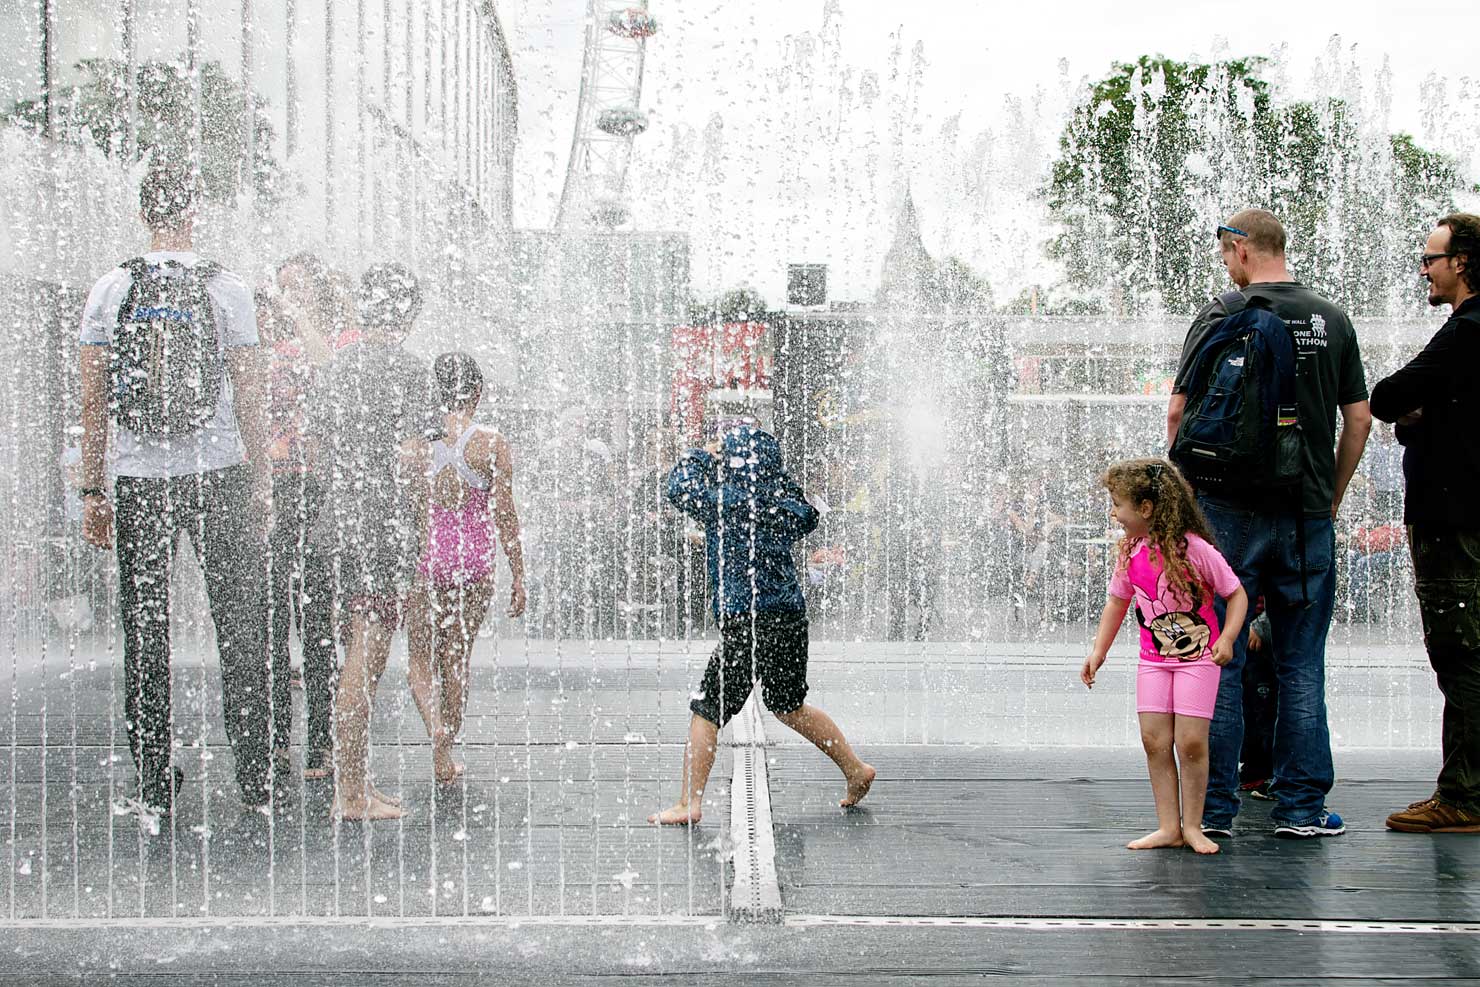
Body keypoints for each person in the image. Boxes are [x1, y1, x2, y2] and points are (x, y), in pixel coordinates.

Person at [1166, 208, 1371, 839]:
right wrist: (1330, 496)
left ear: (1240, 248)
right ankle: (1302, 809)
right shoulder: (1331, 318)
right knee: (1301, 662)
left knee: (1219, 657)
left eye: (1224, 254)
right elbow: (1359, 419)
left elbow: (1178, 415)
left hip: (1225, 514)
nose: (1224, 265)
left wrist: (1186, 510)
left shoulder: (1221, 314)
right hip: (1306, 514)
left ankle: (1214, 810)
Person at [78, 161, 273, 823]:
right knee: (240, 623)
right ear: (193, 212)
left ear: (144, 213)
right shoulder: (225, 287)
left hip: (139, 480)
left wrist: (93, 491)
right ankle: (255, 774)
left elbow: (93, 400)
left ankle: (155, 777)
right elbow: (250, 393)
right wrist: (261, 479)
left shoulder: (111, 288)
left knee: (145, 630)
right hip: (219, 472)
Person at [648, 425, 875, 825]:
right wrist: (774, 474)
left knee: (708, 708)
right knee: (789, 705)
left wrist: (703, 454)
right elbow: (807, 512)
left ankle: (688, 803)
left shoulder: (722, 502)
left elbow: (679, 487)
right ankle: (855, 768)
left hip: (747, 620)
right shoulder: (783, 506)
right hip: (789, 617)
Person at [306, 261, 434, 821]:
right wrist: (417, 524)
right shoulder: (410, 371)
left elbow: (314, 452)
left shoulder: (336, 369)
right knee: (366, 661)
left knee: (352, 657)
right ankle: (353, 793)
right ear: (408, 313)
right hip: (381, 530)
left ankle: (356, 783)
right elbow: (412, 459)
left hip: (334, 524)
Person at [1371, 213, 1480, 834]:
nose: (1423, 270)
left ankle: (1464, 796)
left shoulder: (1466, 330)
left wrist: (1417, 418)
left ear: (1461, 262)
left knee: (1460, 652)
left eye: (1431, 258)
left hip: (1452, 516)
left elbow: (1388, 396)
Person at [1082, 459, 1248, 855]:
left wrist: (1227, 638)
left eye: (1117, 504)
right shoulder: (1131, 552)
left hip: (1198, 660)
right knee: (1154, 740)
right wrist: (1098, 651)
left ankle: (1192, 826)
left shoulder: (1195, 549)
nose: (1113, 514)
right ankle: (1168, 826)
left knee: (1191, 742)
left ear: (1146, 508)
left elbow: (1236, 593)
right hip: (1153, 661)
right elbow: (1117, 601)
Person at [403, 352, 526, 784]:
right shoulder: (490, 442)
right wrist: (518, 573)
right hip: (475, 563)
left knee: (420, 660)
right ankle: (449, 743)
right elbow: (505, 514)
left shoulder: (416, 447)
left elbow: (412, 513)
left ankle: (436, 731)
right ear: (477, 391)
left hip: (429, 561)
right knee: (457, 655)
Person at [257, 288, 339, 779]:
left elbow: (329, 367)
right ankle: (283, 743)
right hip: (273, 495)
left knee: (309, 625)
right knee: (279, 626)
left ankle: (312, 744)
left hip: (300, 491)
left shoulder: (300, 359)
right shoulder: (249, 364)